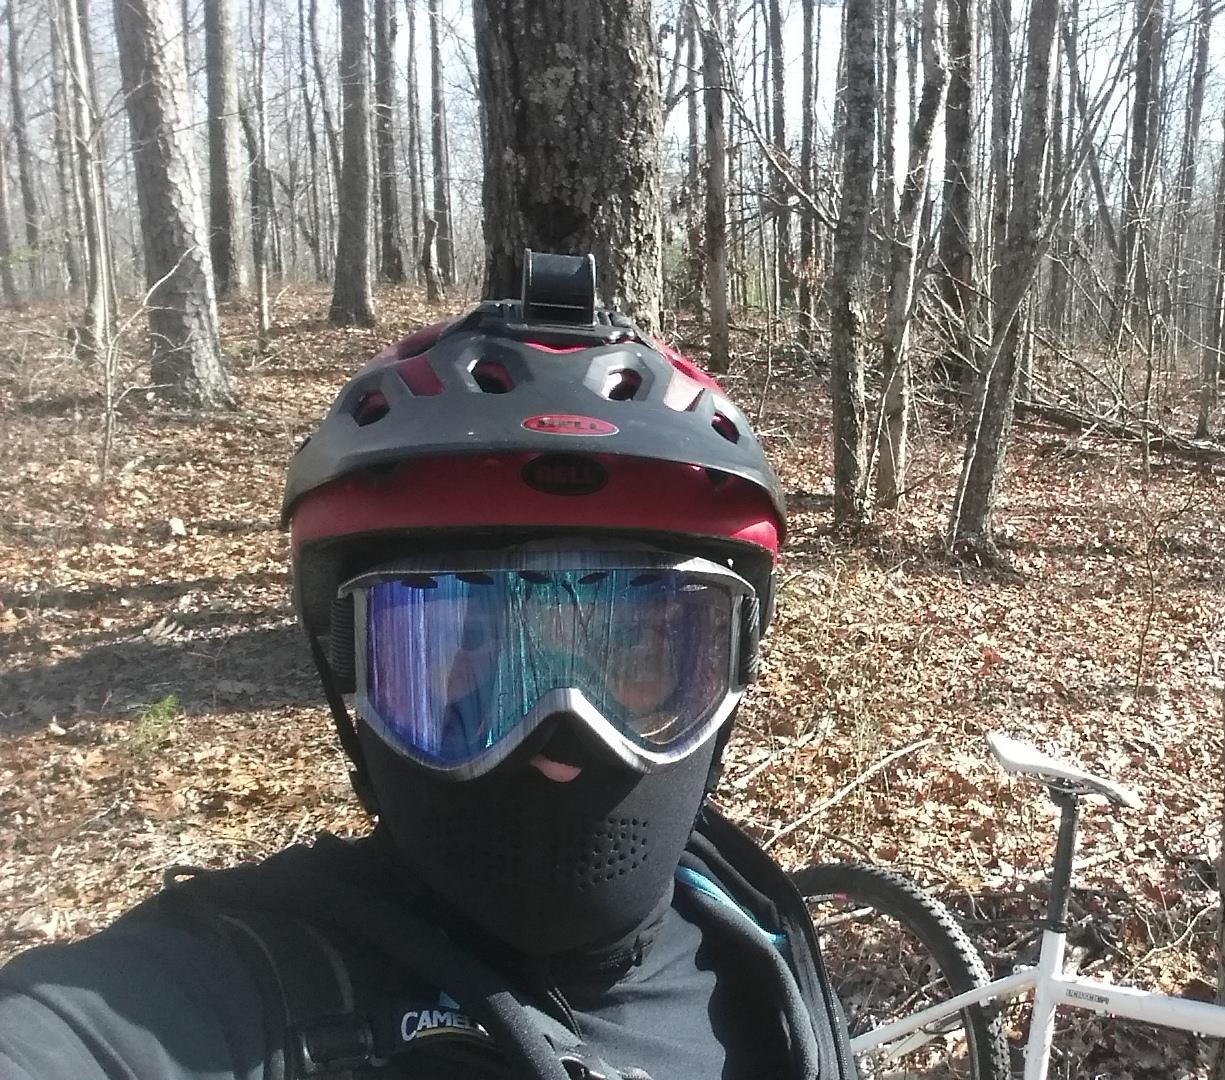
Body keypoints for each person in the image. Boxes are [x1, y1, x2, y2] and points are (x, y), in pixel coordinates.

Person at [0, 254, 856, 1080]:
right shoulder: (231, 993)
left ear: (729, 668)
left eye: (632, 652)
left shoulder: (756, 935)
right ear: (355, 675)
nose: (560, 740)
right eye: (458, 651)